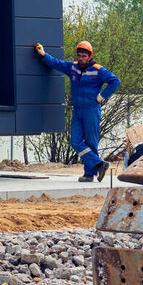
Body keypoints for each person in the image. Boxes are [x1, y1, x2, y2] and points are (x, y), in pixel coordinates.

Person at [34, 40, 121, 182]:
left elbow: (115, 81)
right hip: (77, 109)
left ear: (90, 56)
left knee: (91, 141)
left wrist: (103, 96)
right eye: (79, 55)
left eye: (83, 56)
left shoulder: (99, 70)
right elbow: (56, 63)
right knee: (75, 141)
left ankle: (89, 174)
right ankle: (99, 164)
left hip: (91, 109)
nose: (80, 58)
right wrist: (43, 54)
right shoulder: (73, 67)